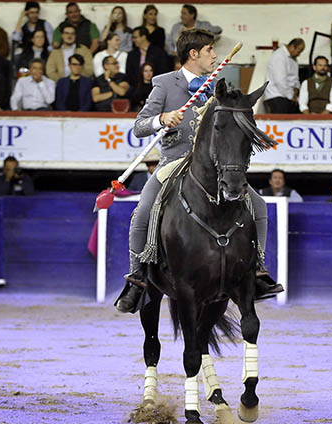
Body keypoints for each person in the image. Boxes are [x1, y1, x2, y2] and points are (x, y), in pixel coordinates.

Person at [115, 28, 282, 313]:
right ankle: (137, 278)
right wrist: (162, 118)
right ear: (194, 54)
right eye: (209, 51)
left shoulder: (217, 85)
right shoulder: (165, 84)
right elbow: (139, 126)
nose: (215, 56)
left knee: (258, 204)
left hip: (212, 166)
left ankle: (257, 271)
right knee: (144, 209)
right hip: (175, 161)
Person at [264, 38, 305, 114]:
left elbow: (295, 78)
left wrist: (296, 88)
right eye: (299, 51)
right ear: (292, 47)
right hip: (277, 96)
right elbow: (280, 81)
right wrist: (291, 96)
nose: (299, 54)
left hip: (290, 97)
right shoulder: (279, 56)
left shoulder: (294, 59)